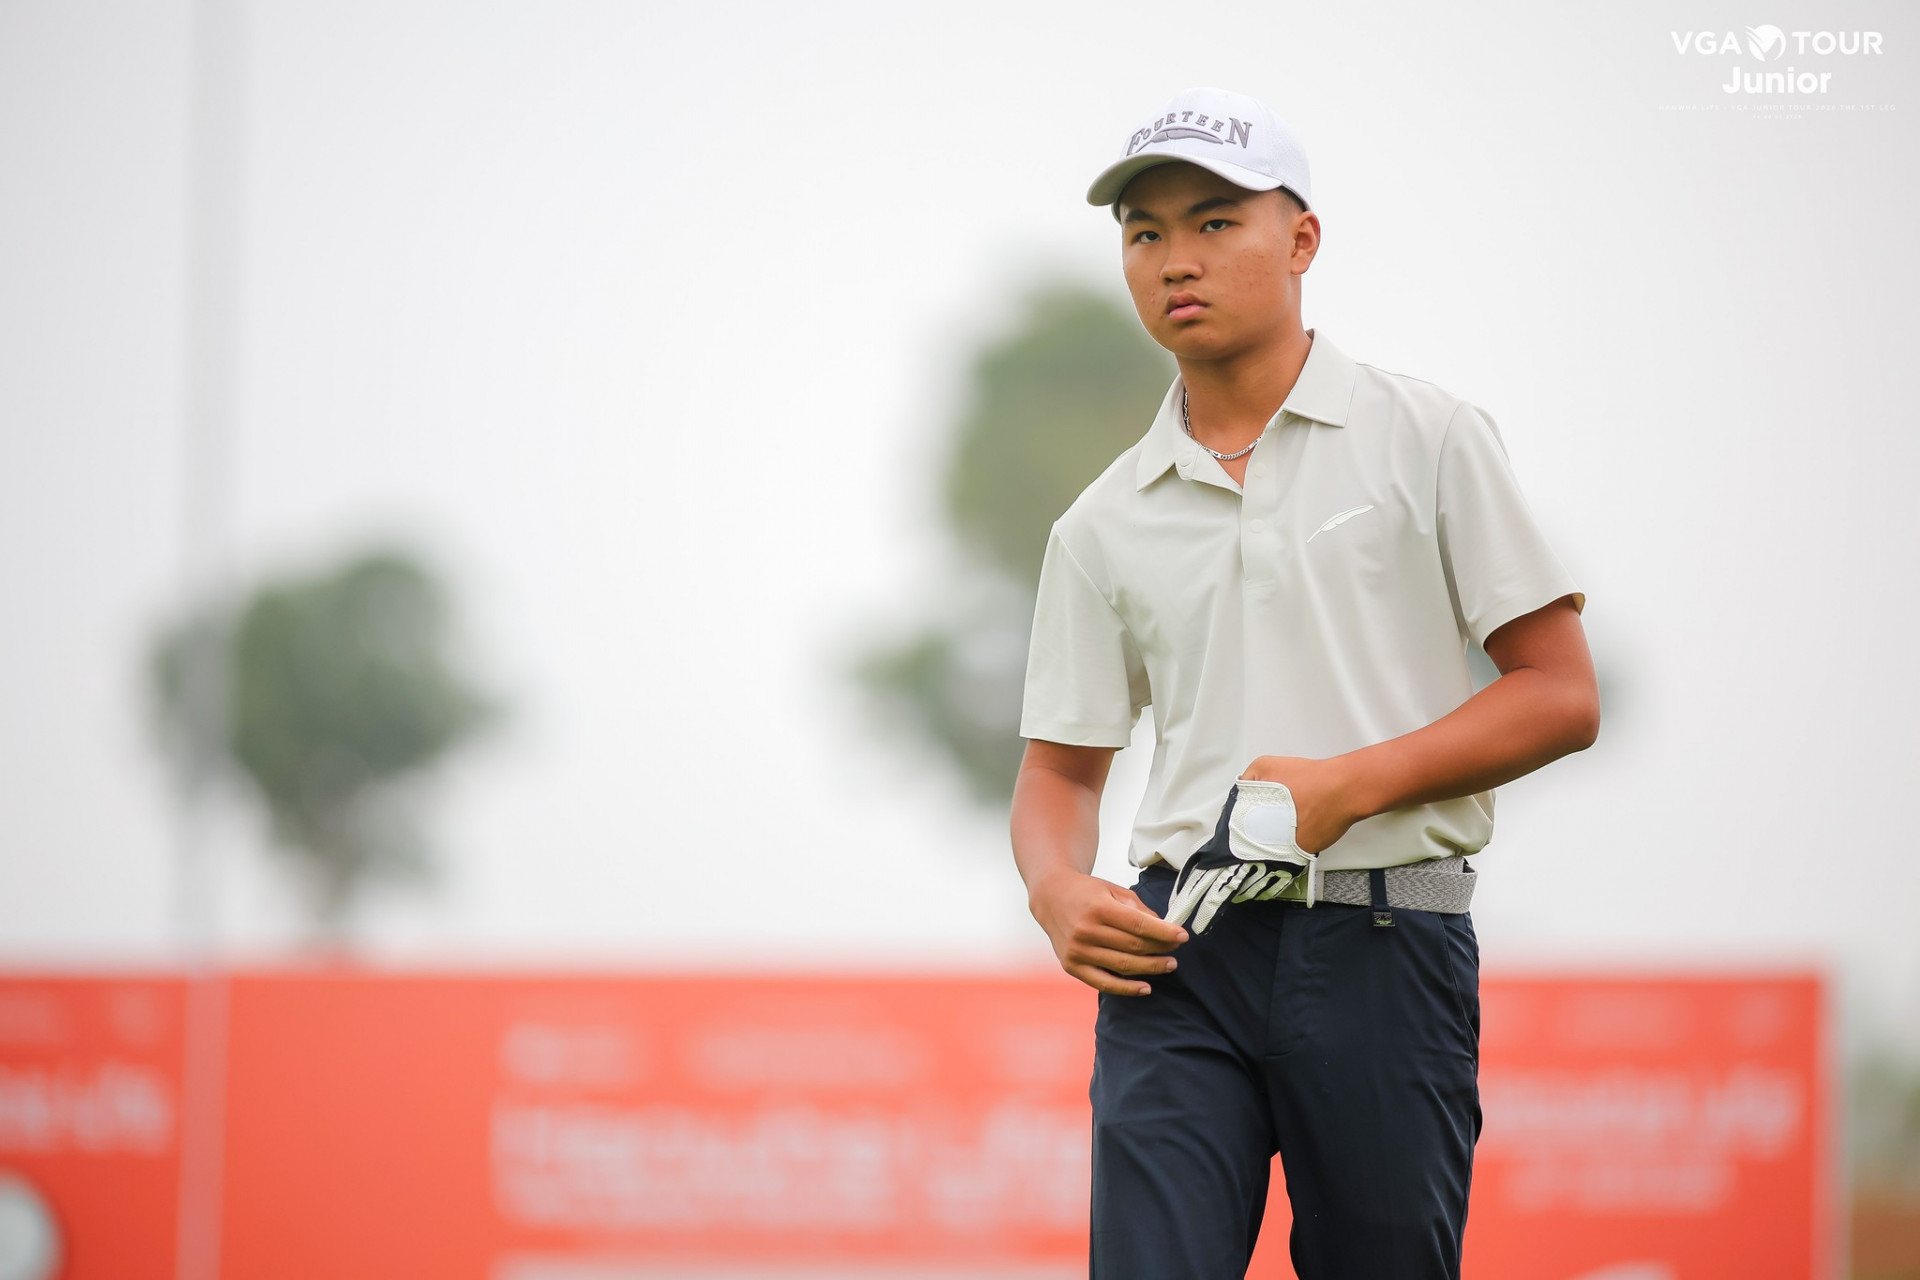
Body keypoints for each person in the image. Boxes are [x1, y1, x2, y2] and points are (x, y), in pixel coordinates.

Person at [1007, 86, 1600, 1280]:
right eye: (1144, 232)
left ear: (1302, 239)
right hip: (1180, 950)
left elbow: (1558, 692)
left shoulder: (1428, 437)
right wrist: (1057, 887)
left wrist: (1352, 784)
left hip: (1387, 939)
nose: (1176, 258)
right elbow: (1060, 772)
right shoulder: (1101, 521)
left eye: (1215, 221)